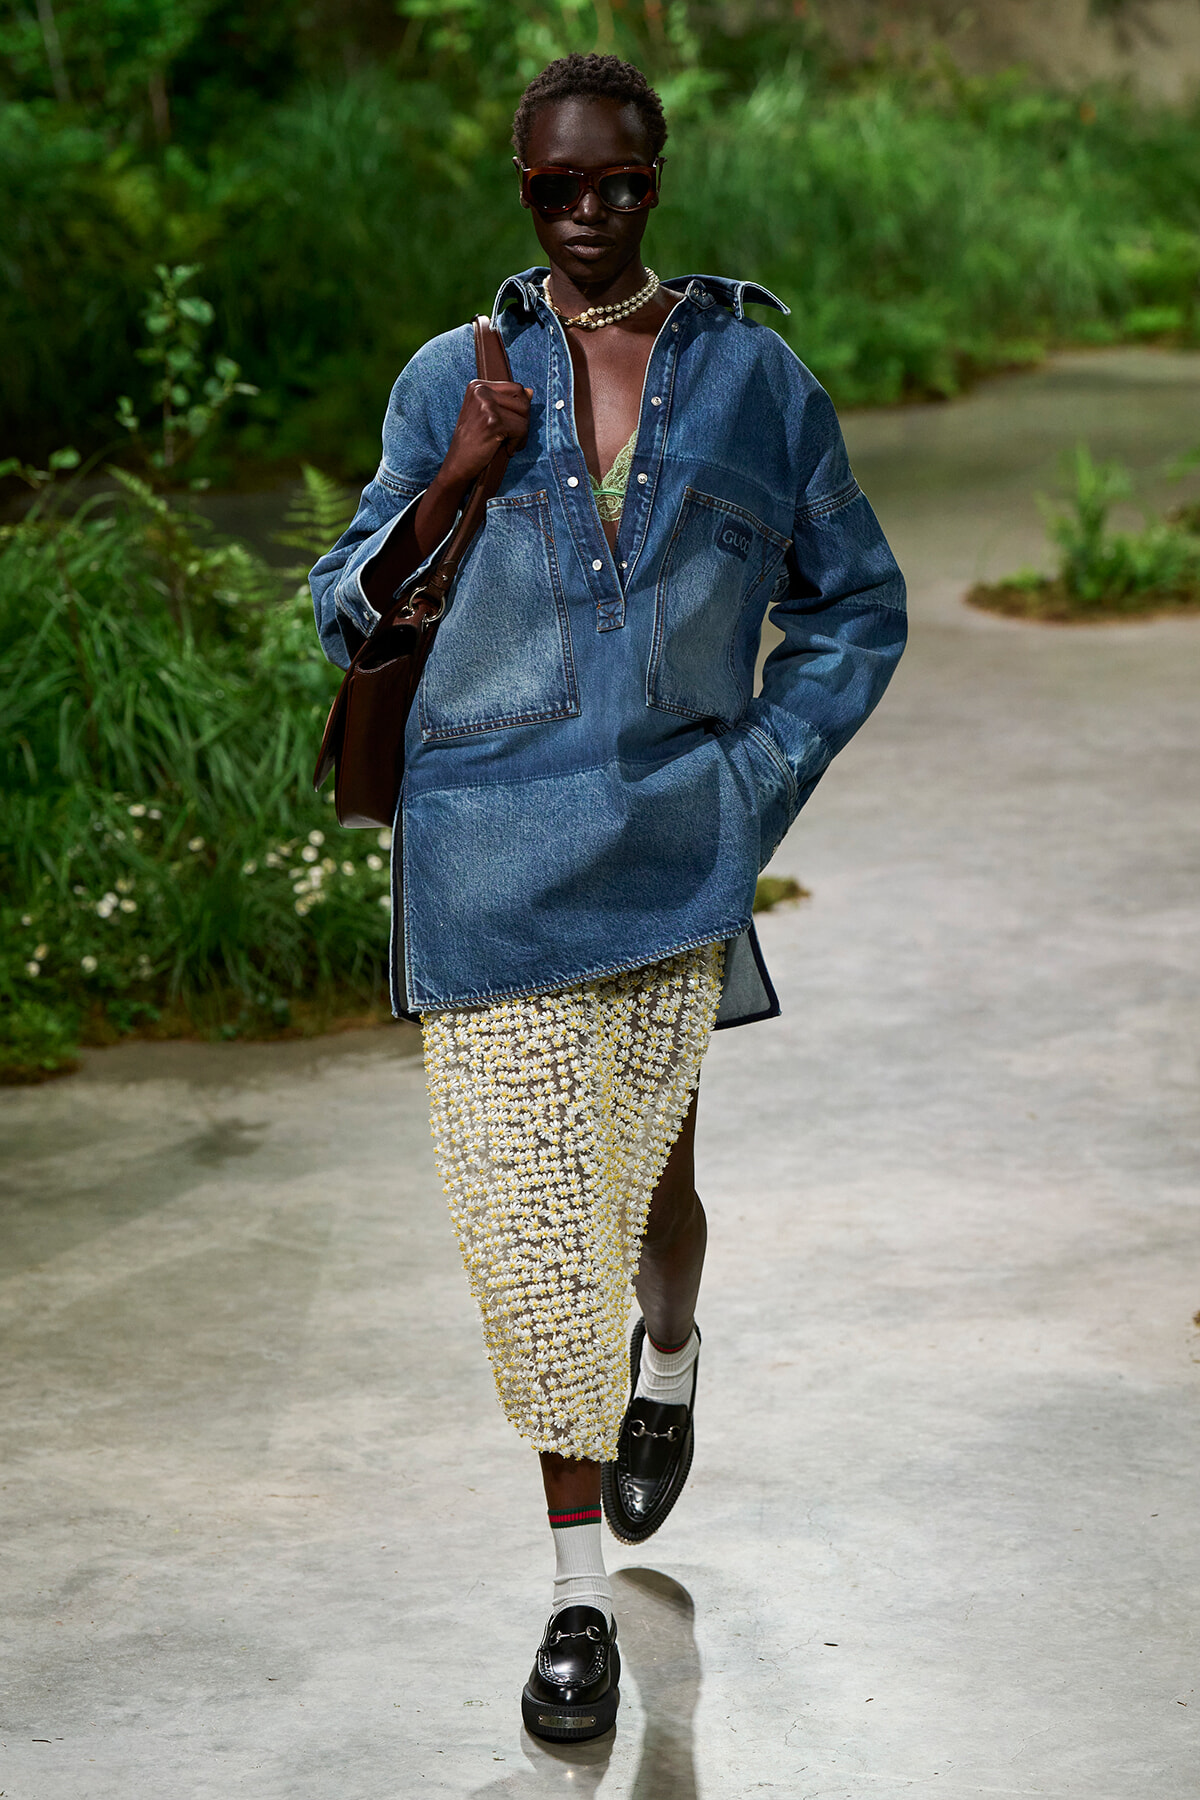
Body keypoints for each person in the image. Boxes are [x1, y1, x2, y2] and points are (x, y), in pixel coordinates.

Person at [311, 51, 906, 1744]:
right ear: (522, 192)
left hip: (670, 854)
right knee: (529, 1238)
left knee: (647, 1212)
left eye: (616, 183)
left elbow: (858, 601)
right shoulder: (456, 376)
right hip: (484, 863)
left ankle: (673, 1357)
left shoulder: (759, 384)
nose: (586, 215)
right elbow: (342, 613)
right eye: (553, 189)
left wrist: (755, 778)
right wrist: (459, 474)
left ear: (656, 176)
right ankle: (575, 1606)